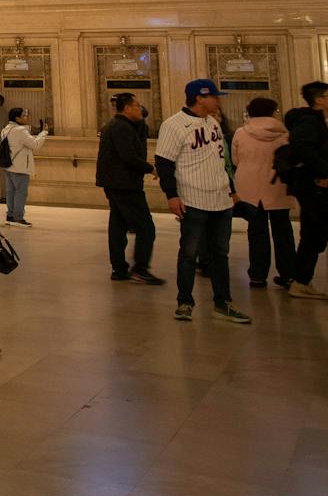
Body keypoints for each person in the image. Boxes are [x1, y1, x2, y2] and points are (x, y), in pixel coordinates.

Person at [156, 78, 249, 324]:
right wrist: (172, 195)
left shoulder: (214, 124)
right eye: (214, 97)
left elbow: (222, 160)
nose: (217, 101)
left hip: (220, 199)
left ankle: (223, 301)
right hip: (193, 199)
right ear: (199, 97)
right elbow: (164, 163)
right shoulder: (174, 125)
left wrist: (231, 189)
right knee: (189, 254)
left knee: (221, 254)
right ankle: (185, 301)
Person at [97, 93, 162, 285]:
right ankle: (140, 269)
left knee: (118, 226)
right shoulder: (121, 128)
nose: (140, 109)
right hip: (123, 184)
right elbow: (129, 156)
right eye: (137, 105)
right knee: (146, 227)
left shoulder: (124, 126)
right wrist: (150, 168)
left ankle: (119, 269)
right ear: (127, 108)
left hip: (116, 182)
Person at [232, 97, 295, 291]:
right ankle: (288, 273)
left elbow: (235, 160)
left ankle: (258, 275)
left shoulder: (241, 133)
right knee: (283, 231)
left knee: (257, 231)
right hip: (277, 185)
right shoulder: (284, 134)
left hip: (250, 187)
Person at [286, 81, 328, 300]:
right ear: (319, 99)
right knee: (314, 234)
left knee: (313, 235)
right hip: (314, 188)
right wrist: (324, 173)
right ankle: (300, 280)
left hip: (313, 187)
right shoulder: (309, 122)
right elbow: (302, 148)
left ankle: (300, 280)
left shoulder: (316, 122)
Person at [0, 107, 48, 225]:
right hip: (20, 167)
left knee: (10, 192)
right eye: (24, 116)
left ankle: (10, 216)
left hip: (9, 166)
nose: (27, 118)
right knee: (20, 192)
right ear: (17, 118)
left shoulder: (5, 129)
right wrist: (44, 133)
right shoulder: (20, 130)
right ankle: (18, 217)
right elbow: (35, 144)